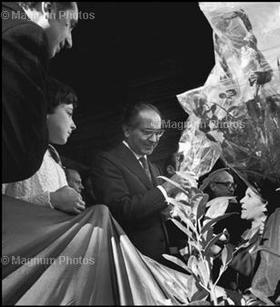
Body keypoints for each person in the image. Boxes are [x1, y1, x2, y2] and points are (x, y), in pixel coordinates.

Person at [91, 102, 191, 263]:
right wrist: (167, 188)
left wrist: (172, 207)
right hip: (130, 258)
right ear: (127, 130)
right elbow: (121, 210)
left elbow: (152, 207)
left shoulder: (153, 167)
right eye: (147, 132)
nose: (154, 140)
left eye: (159, 133)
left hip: (159, 257)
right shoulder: (107, 161)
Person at [2, 2, 78, 183]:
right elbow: (20, 158)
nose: (70, 41)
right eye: (70, 25)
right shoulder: (24, 34)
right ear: (48, 8)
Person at [2, 77, 85, 215]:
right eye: (69, 113)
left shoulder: (53, 159)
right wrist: (51, 200)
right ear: (44, 110)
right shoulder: (12, 151)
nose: (73, 125)